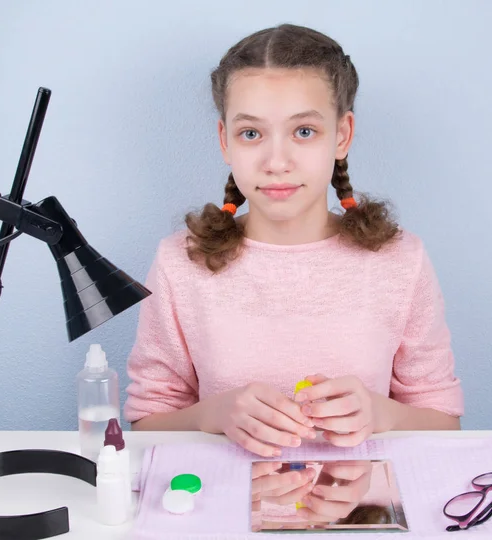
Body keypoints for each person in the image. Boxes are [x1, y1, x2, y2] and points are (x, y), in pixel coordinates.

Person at [123, 23, 464, 459]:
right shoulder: (179, 261)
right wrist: (213, 414)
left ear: (342, 135)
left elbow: (444, 423)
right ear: (225, 140)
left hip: (359, 510)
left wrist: (383, 413)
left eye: (304, 131)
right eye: (252, 134)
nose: (276, 162)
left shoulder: (400, 260)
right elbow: (147, 422)